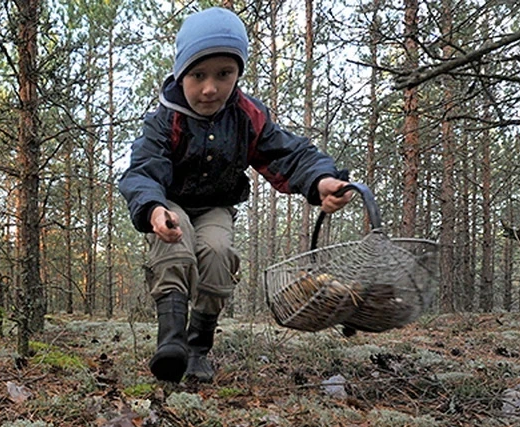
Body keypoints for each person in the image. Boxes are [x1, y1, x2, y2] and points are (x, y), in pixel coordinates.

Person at [119, 6, 352, 383]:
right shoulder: (166, 117)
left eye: (224, 74)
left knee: (217, 255)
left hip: (215, 206)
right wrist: (153, 209)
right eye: (198, 75)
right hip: (169, 201)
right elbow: (144, 169)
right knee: (175, 249)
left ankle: (198, 349)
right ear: (182, 73)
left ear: (238, 73)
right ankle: (171, 345)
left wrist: (321, 180)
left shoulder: (247, 116)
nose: (210, 88)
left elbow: (288, 155)